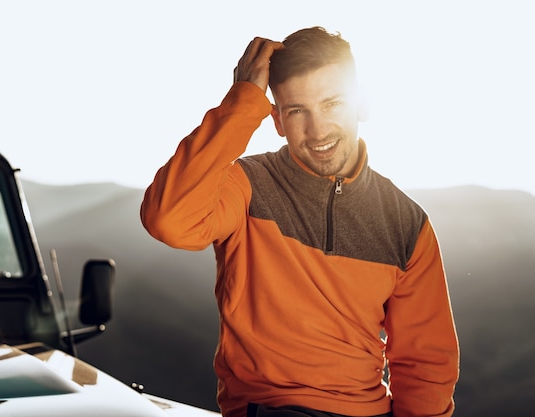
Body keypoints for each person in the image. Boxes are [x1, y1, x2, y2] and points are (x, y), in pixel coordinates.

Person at [141, 27, 459, 417]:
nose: (318, 130)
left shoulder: (408, 223)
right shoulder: (247, 186)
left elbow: (426, 364)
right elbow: (168, 220)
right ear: (276, 119)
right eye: (297, 111)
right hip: (270, 408)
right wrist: (242, 101)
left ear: (361, 103)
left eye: (332, 104)